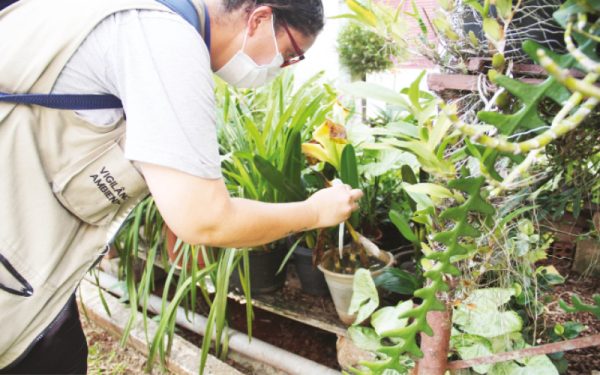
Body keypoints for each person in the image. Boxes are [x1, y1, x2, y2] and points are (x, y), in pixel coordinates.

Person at [0, 0, 363, 373]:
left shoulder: (123, 12)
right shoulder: (166, 39)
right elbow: (203, 218)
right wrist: (315, 211)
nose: (280, 70)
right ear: (260, 18)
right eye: (288, 55)